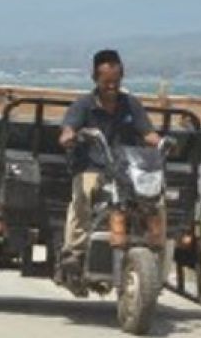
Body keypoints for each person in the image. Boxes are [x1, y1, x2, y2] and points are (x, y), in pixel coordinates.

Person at [57, 49, 163, 281]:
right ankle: (74, 249)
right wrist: (69, 136)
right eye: (106, 82)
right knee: (84, 191)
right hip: (93, 167)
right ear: (95, 79)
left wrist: (162, 143)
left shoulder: (131, 104)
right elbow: (68, 130)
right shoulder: (83, 105)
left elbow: (148, 133)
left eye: (116, 81)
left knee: (157, 196)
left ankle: (156, 244)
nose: (112, 87)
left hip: (126, 169)